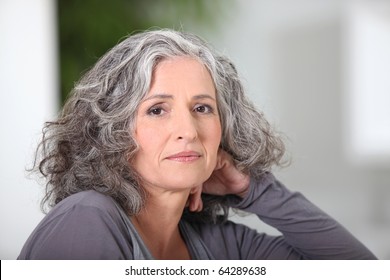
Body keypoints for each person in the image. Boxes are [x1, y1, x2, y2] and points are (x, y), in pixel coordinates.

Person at [18, 29, 376, 260]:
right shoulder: (88, 219)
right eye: (157, 109)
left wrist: (254, 189)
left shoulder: (221, 247)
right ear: (112, 132)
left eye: (202, 108)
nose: (188, 130)